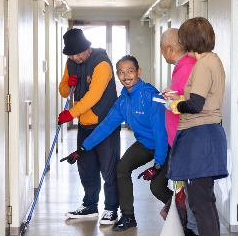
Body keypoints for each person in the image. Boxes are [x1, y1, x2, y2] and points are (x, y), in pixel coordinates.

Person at [63, 55, 172, 231]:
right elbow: (105, 127)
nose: (125, 76)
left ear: (139, 72)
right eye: (121, 72)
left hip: (166, 147)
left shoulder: (152, 97)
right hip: (145, 144)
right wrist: (82, 149)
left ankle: (182, 210)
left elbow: (161, 134)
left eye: (130, 71)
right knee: (121, 169)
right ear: (117, 75)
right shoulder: (122, 101)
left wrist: (157, 166)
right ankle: (128, 217)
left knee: (157, 187)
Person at [164, 17, 228, 236]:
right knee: (207, 203)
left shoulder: (202, 65)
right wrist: (181, 97)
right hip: (210, 134)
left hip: (199, 137)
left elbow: (196, 105)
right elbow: (205, 98)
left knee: (200, 206)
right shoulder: (215, 60)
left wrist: (175, 104)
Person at [58, 29, 121, 225]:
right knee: (86, 168)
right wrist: (70, 83)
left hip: (105, 124)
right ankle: (90, 206)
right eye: (71, 54)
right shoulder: (71, 63)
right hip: (84, 125)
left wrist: (71, 113)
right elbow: (62, 90)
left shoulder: (101, 63)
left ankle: (111, 209)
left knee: (108, 168)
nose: (75, 57)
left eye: (78, 53)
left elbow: (93, 95)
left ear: (87, 47)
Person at [160, 28, 199, 236]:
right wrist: (171, 97)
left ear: (169, 48)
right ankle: (190, 227)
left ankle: (192, 229)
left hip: (186, 138)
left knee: (192, 190)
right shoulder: (181, 67)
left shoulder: (186, 68)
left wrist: (172, 102)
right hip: (180, 138)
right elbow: (182, 96)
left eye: (161, 48)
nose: (161, 52)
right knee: (187, 188)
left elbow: (191, 104)